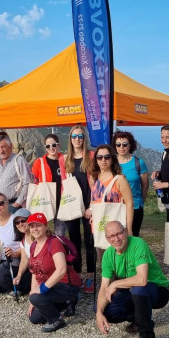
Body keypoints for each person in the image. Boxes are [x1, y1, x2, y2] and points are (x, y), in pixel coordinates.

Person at [96, 221, 169, 338]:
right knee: (105, 308)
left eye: (119, 233)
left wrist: (115, 284)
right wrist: (99, 313)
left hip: (158, 290)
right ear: (107, 239)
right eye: (112, 236)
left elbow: (142, 280)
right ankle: (139, 318)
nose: (117, 239)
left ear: (125, 232)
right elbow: (103, 288)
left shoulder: (138, 244)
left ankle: (147, 336)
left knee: (138, 290)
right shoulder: (108, 254)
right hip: (133, 291)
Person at [14, 212, 81, 333]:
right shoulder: (33, 245)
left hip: (66, 284)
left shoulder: (54, 243)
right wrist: (32, 298)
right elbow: (34, 271)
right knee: (34, 318)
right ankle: (68, 301)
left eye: (38, 225)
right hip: (52, 286)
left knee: (37, 298)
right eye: (32, 226)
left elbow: (61, 270)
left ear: (46, 226)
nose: (35, 229)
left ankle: (57, 320)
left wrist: (42, 290)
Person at [63, 125, 96, 293]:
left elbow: (95, 184)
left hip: (88, 207)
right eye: (74, 136)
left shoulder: (91, 156)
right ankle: (77, 275)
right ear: (70, 138)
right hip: (72, 208)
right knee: (74, 243)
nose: (77, 139)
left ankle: (90, 276)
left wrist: (91, 206)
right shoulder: (65, 159)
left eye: (80, 136)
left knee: (90, 243)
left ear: (84, 138)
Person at [90, 144, 134, 237]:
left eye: (107, 157)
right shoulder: (93, 178)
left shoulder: (120, 179)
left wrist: (129, 229)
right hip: (98, 224)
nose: (103, 160)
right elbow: (93, 199)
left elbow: (129, 204)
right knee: (100, 249)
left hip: (116, 228)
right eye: (99, 157)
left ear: (112, 159)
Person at [111, 131, 148, 236]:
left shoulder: (138, 163)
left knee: (133, 235)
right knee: (117, 236)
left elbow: (145, 186)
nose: (121, 147)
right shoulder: (112, 163)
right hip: (116, 207)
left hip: (135, 206)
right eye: (118, 144)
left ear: (130, 145)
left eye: (124, 144)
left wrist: (141, 200)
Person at [31, 133, 67, 236]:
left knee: (59, 232)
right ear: (45, 147)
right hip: (45, 201)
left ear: (58, 145)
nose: (51, 148)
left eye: (54, 145)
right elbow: (34, 181)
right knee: (41, 230)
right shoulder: (39, 163)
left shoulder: (65, 160)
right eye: (48, 146)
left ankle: (57, 249)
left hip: (62, 201)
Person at [0, 134, 31, 213]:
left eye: (3, 146)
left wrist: (18, 203)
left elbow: (27, 182)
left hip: (12, 206)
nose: (1, 150)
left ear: (11, 146)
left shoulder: (18, 160)